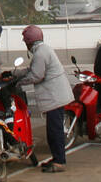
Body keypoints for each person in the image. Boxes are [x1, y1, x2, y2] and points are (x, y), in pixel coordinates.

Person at [13, 24, 75, 173]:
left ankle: (59, 162)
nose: (25, 44)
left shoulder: (40, 53)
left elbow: (36, 75)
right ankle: (57, 158)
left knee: (55, 131)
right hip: (56, 96)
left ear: (29, 41)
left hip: (54, 97)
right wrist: (15, 74)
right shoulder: (43, 50)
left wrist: (19, 81)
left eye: (25, 41)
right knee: (53, 130)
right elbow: (32, 69)